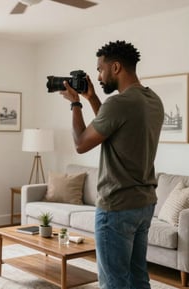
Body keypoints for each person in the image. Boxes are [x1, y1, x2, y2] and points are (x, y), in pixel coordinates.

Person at [60, 40, 164, 289]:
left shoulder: (119, 103)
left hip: (116, 207)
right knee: (138, 278)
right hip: (144, 203)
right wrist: (93, 98)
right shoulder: (152, 100)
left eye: (100, 69)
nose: (98, 75)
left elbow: (81, 144)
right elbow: (110, 128)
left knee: (113, 283)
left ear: (115, 67)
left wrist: (75, 104)